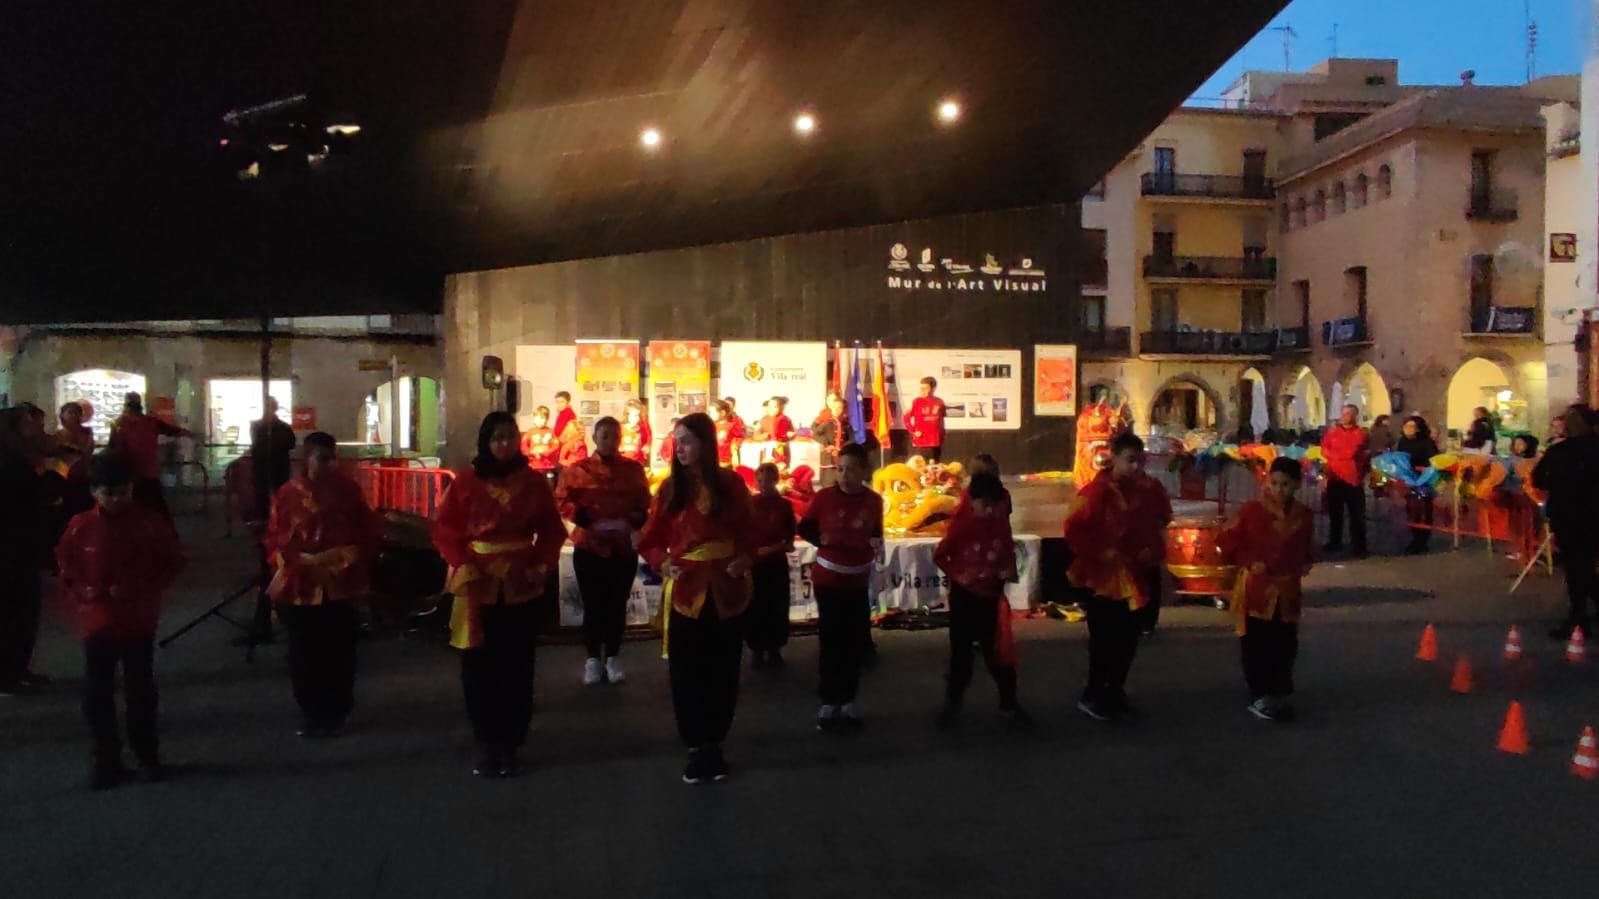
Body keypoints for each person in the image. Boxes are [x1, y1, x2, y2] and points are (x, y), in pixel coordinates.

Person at [432, 412, 568, 777]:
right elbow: (445, 531)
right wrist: (463, 563)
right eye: (497, 438)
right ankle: (487, 741)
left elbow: (553, 532)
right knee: (478, 667)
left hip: (521, 583)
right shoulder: (465, 483)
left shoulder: (535, 484)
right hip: (477, 585)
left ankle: (511, 741)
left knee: (518, 665)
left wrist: (541, 564)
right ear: (485, 441)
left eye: (510, 436)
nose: (504, 444)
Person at [635, 412, 756, 784]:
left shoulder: (732, 485)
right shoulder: (670, 490)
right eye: (677, 441)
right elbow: (649, 539)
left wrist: (745, 558)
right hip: (687, 588)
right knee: (686, 673)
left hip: (725, 588)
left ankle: (715, 743)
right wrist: (663, 562)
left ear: (706, 443)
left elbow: (751, 531)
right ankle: (694, 745)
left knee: (723, 669)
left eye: (687, 440)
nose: (680, 448)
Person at [56, 451, 184, 789]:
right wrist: (87, 590)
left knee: (140, 689)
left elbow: (172, 562)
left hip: (138, 618)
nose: (116, 500)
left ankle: (147, 755)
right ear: (94, 493)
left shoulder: (149, 523)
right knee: (97, 693)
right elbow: (66, 566)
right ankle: (107, 760)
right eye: (109, 493)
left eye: (123, 492)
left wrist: (142, 588)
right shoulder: (81, 526)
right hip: (97, 619)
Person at [263, 432, 383, 737]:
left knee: (340, 650)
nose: (329, 465)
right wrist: (295, 559)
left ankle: (338, 708)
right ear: (308, 458)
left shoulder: (349, 491)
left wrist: (353, 555)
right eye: (322, 458)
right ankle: (312, 710)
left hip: (342, 580)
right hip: (303, 580)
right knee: (304, 650)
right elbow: (275, 537)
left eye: (332, 458)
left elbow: (367, 530)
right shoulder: (288, 495)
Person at [1063, 431, 1172, 721]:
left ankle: (1115, 689)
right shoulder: (1094, 493)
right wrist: (1099, 552)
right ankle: (1094, 693)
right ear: (1113, 457)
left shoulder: (1149, 489)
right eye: (1130, 461)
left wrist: (1154, 550)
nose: (1135, 467)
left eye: (1139, 461)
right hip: (1104, 577)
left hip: (1136, 574)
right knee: (1104, 640)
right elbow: (1073, 530)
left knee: (1129, 639)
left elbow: (1162, 519)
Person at [556, 417, 651, 686]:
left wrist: (634, 518)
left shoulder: (633, 470)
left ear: (620, 439)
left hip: (622, 545)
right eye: (604, 435)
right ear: (595, 438)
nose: (609, 441)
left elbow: (645, 501)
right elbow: (562, 500)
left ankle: (613, 655)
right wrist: (580, 515)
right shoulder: (576, 470)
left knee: (617, 603)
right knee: (593, 603)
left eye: (614, 436)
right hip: (589, 545)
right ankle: (592, 659)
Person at [796, 442, 883, 732]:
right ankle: (828, 702)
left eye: (851, 469)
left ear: (864, 471)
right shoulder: (823, 498)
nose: (844, 475)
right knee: (832, 642)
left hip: (857, 580)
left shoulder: (873, 501)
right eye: (840, 469)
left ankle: (848, 702)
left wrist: (873, 545)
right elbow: (805, 527)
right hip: (829, 580)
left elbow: (876, 531)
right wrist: (825, 541)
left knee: (853, 643)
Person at [1219, 457, 1315, 721]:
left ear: (1296, 485)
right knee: (1257, 643)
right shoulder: (1252, 511)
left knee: (1285, 644)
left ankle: (1279, 693)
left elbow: (1307, 548)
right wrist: (1249, 561)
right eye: (1274, 483)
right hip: (1258, 589)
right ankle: (1259, 694)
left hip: (1288, 591)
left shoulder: (1304, 515)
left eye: (1285, 484)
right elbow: (1226, 541)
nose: (1279, 489)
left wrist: (1306, 562)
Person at [934, 471, 1031, 730]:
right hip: (965, 599)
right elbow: (941, 556)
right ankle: (952, 704)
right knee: (961, 657)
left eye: (994, 505)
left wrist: (1009, 571)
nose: (989, 510)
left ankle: (1009, 703)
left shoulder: (1000, 524)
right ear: (972, 501)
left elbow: (1009, 554)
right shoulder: (961, 526)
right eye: (984, 505)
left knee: (999, 655)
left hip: (992, 599)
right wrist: (959, 575)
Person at [1532, 404, 1599, 641]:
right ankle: (1579, 617)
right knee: (1586, 564)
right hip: (1592, 514)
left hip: (1569, 514)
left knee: (1576, 568)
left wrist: (1558, 483)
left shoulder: (1560, 451)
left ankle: (1578, 618)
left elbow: (1538, 478)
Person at [0, 407, 50, 695]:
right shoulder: (11, 463)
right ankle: (7, 673)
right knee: (13, 611)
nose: (36, 428)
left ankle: (18, 667)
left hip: (22, 544)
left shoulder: (21, 459)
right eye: (30, 423)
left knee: (24, 610)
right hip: (11, 547)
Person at [747, 463, 797, 667]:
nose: (763, 485)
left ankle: (775, 648)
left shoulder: (784, 506)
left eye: (768, 481)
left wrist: (774, 548)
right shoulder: (750, 504)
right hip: (755, 563)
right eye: (759, 481)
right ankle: (756, 649)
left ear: (776, 480)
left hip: (775, 563)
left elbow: (789, 539)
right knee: (755, 607)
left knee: (776, 606)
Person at [108, 392, 187, 519]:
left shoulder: (147, 422)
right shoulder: (121, 424)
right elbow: (113, 448)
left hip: (145, 473)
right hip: (133, 473)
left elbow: (172, 431)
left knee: (151, 508)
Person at [1319, 404, 1369, 556]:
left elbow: (1352, 452)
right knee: (1335, 513)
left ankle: (1359, 546)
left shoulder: (1360, 433)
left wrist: (1335, 455)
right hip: (1334, 477)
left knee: (1356, 514)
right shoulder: (1332, 433)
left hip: (1353, 478)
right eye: (1344, 413)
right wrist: (1337, 455)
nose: (1345, 416)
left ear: (1355, 416)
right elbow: (1324, 449)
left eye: (1349, 414)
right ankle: (1335, 541)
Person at [1394, 416, 1441, 554]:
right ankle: (1414, 538)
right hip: (1409, 479)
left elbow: (1434, 461)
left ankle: (1423, 540)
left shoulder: (1426, 442)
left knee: (1424, 510)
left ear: (1418, 428)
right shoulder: (1403, 441)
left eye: (1412, 426)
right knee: (1411, 510)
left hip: (1424, 480)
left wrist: (1423, 469)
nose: (1408, 429)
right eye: (1406, 426)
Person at [903, 376, 947, 462]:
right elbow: (906, 418)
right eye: (921, 388)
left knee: (935, 465)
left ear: (933, 388)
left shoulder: (940, 402)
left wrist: (942, 434)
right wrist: (913, 431)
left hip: (936, 441)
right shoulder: (916, 402)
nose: (922, 391)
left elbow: (941, 420)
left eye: (925, 388)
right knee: (923, 466)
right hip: (922, 441)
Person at [811, 392, 853, 474]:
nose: (837, 410)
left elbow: (850, 437)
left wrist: (843, 447)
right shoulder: (825, 415)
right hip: (828, 455)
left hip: (841, 455)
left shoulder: (845, 421)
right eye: (830, 400)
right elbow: (815, 431)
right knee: (829, 479)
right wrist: (826, 443)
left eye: (840, 408)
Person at [520, 406, 560, 473]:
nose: (539, 421)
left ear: (547, 419)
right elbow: (523, 445)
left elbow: (556, 446)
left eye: (542, 418)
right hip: (533, 465)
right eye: (536, 418)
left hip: (548, 465)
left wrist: (547, 452)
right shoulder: (530, 432)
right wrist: (530, 452)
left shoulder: (551, 432)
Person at [619, 399, 653, 467]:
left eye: (638, 415)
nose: (636, 418)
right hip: (623, 463)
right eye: (634, 416)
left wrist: (647, 446)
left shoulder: (642, 429)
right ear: (627, 415)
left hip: (638, 463)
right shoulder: (620, 428)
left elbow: (648, 438)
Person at [710, 401, 736, 467]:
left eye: (712, 412)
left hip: (725, 462)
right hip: (712, 461)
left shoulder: (731, 426)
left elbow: (738, 439)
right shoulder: (710, 426)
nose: (710, 414)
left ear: (722, 413)